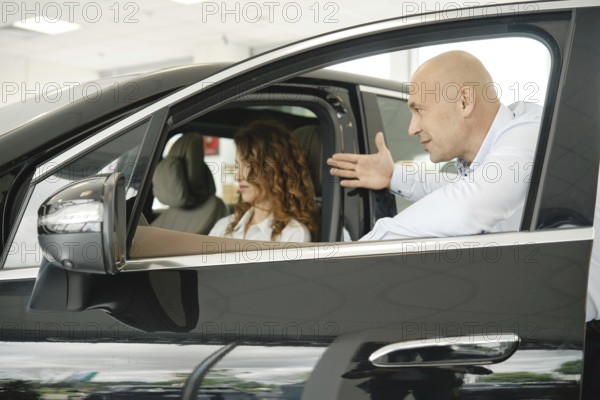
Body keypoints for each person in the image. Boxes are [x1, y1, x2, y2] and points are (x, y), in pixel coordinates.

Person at [327, 50, 543, 241]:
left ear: (464, 101)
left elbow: (467, 205)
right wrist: (392, 175)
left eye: (419, 110)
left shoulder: (533, 133)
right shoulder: (498, 153)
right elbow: (460, 186)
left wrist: (361, 248)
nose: (411, 129)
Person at [209, 120, 318, 242]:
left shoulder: (293, 234)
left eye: (246, 164)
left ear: (272, 169)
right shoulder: (223, 227)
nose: (237, 176)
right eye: (237, 165)